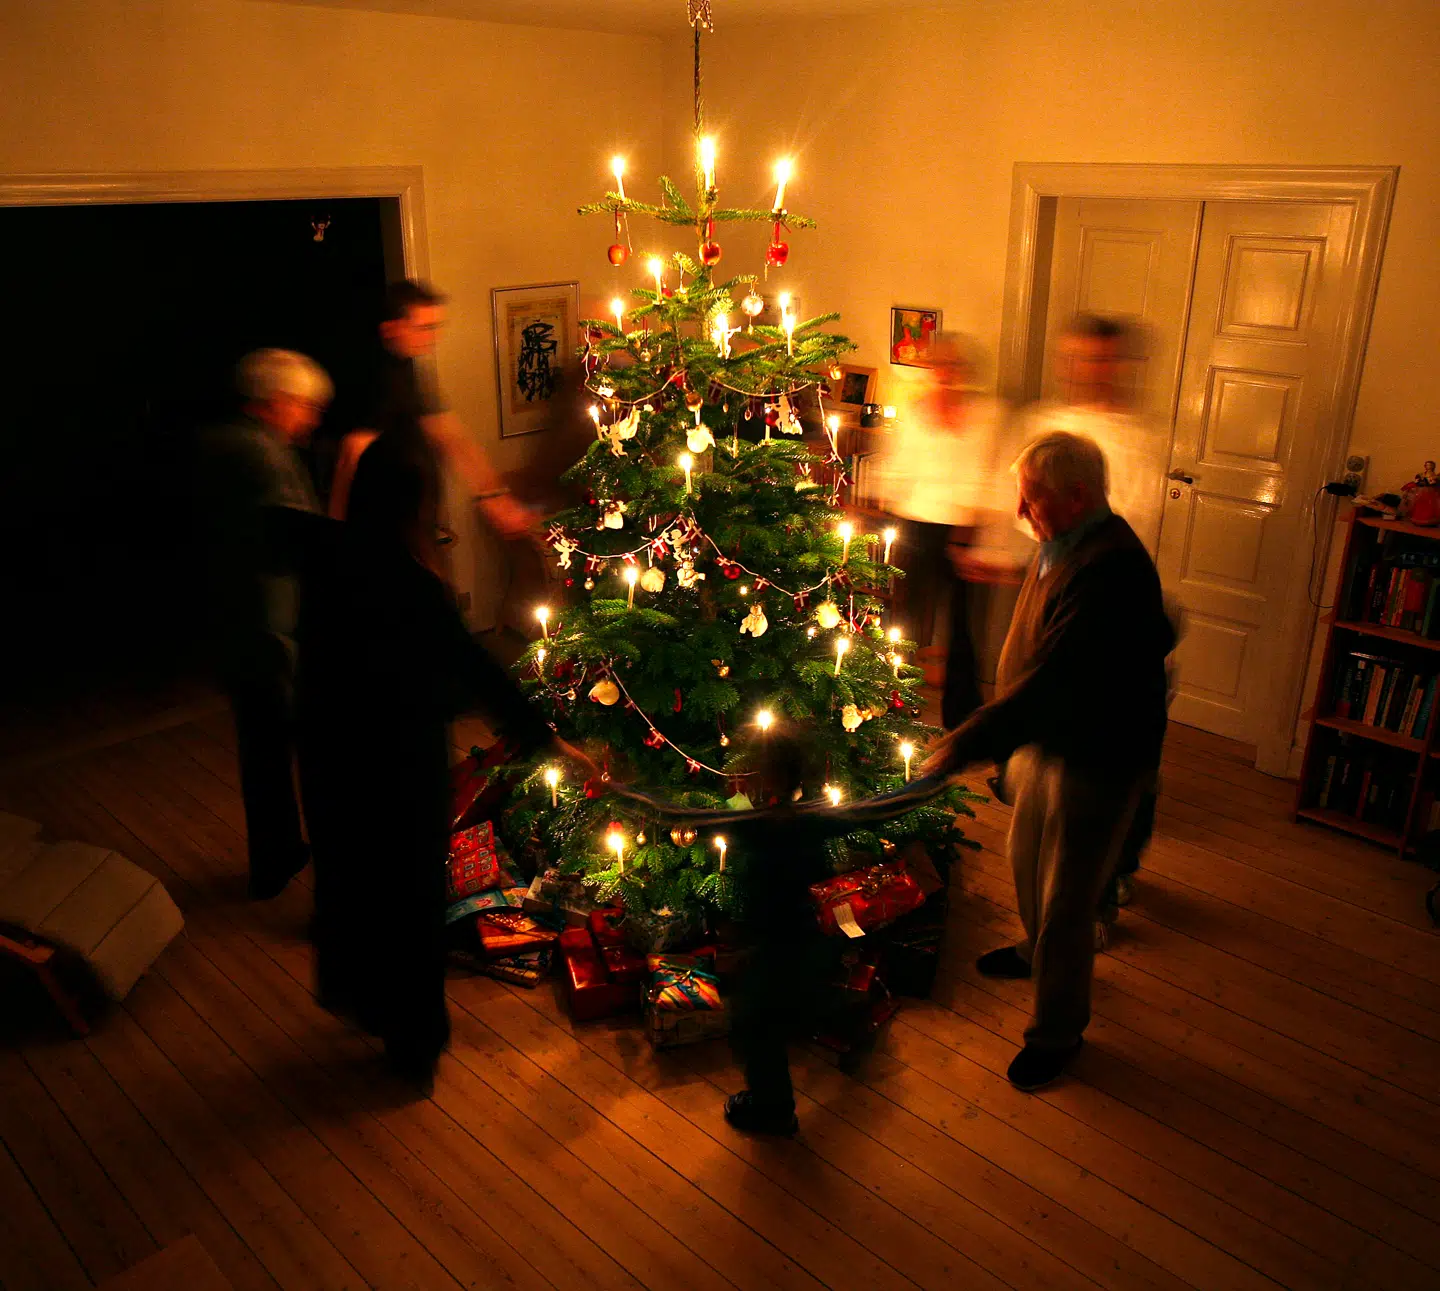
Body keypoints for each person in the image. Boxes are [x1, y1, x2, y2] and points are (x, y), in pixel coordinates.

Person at [291, 448, 592, 1090]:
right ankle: (413, 1042)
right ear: (414, 510)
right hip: (398, 765)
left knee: (350, 880)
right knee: (409, 899)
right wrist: (544, 739)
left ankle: (363, 998)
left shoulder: (324, 558)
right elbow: (476, 669)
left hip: (330, 757)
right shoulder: (410, 585)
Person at [924, 431, 1176, 1092]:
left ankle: (1058, 1030)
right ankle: (1032, 952)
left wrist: (964, 740)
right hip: (1048, 739)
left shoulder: (1109, 567)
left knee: (1069, 898)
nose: (1017, 510)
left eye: (1030, 498)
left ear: (1078, 495)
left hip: (1099, 753)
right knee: (1025, 858)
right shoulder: (1057, 544)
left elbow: (1057, 677)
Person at [612, 727, 949, 1135]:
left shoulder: (753, 822)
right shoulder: (817, 817)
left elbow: (678, 813)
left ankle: (772, 1108)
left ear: (764, 775)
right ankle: (842, 1024)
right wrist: (941, 771)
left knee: (756, 1024)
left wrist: (614, 787)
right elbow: (885, 805)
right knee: (797, 1002)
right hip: (809, 936)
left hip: (774, 944)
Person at [196, 348, 331, 900]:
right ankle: (326, 875)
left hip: (231, 618)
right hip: (272, 625)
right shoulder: (265, 457)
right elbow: (301, 541)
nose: (311, 418)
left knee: (262, 750)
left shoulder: (215, 444)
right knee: (316, 749)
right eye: (305, 406)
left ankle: (275, 856)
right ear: (277, 403)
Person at [328, 280, 532, 546]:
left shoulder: (407, 369)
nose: (432, 338)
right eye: (424, 328)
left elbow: (448, 434)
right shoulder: (375, 376)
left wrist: (493, 497)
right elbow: (350, 454)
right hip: (380, 526)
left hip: (412, 519)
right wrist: (334, 537)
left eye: (435, 327)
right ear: (391, 328)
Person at [879, 333, 1010, 728]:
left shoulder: (987, 415)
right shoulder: (914, 412)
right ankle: (889, 699)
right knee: (904, 619)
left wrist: (966, 532)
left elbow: (989, 474)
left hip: (963, 530)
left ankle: (962, 719)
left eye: (954, 366)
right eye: (940, 365)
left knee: (962, 627)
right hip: (915, 526)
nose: (947, 374)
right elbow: (896, 473)